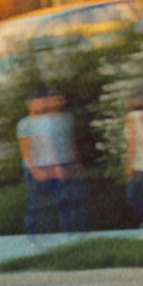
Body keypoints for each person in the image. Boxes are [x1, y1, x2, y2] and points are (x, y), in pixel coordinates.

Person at [15, 93, 89, 235]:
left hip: (57, 165)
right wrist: (35, 169)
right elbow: (25, 148)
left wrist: (71, 165)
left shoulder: (51, 121)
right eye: (38, 103)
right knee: (38, 203)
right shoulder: (25, 123)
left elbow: (60, 144)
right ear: (29, 105)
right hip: (38, 167)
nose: (42, 106)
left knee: (67, 200)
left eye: (43, 102)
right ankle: (37, 235)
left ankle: (73, 233)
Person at [126, 90, 143, 228]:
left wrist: (129, 165)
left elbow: (133, 142)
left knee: (134, 196)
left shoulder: (132, 117)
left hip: (139, 164)